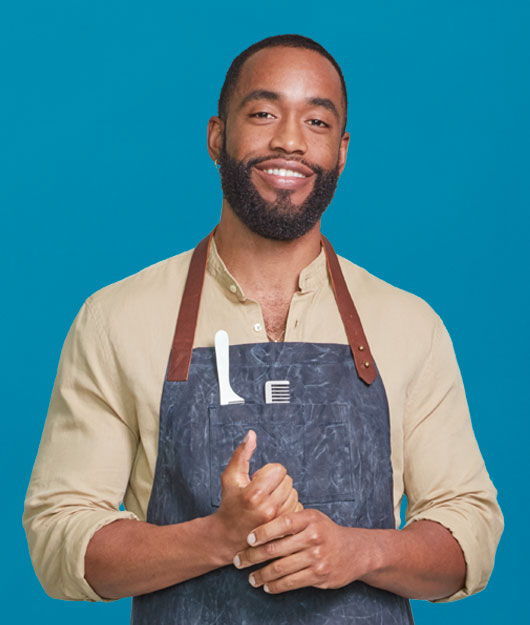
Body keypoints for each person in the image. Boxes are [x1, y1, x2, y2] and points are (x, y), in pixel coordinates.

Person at [23, 34, 503, 624]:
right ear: (217, 137)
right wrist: (216, 538)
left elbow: (471, 534)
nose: (290, 141)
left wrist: (358, 550)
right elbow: (59, 537)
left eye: (318, 122)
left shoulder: (409, 325)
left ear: (343, 150)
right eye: (264, 114)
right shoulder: (116, 319)